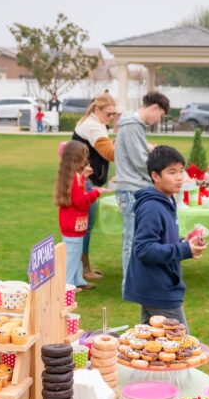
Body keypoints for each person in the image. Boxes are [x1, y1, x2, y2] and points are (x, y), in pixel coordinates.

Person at [123, 145, 206, 327]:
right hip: (158, 289)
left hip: (158, 284)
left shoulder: (167, 199)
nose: (179, 178)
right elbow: (144, 249)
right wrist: (184, 249)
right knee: (180, 346)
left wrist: (184, 243)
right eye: (171, 172)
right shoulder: (152, 207)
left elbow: (161, 239)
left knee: (151, 344)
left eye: (181, 171)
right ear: (155, 176)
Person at [114, 91, 169, 284]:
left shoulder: (132, 125)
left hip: (132, 188)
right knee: (132, 240)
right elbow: (140, 162)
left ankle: (137, 280)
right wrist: (160, 178)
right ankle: (129, 284)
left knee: (137, 238)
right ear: (154, 107)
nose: (157, 120)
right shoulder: (131, 126)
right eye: (160, 115)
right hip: (131, 189)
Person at [73, 93, 117, 281]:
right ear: (97, 109)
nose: (112, 118)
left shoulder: (96, 123)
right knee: (84, 227)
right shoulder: (92, 126)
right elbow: (108, 152)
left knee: (84, 227)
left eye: (114, 114)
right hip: (85, 182)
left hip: (85, 180)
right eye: (109, 114)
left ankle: (82, 267)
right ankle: (82, 269)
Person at [55, 141, 106, 292]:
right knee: (71, 256)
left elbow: (76, 195)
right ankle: (68, 285)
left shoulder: (72, 176)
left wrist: (83, 177)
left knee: (75, 254)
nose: (86, 159)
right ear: (78, 158)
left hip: (71, 223)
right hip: (73, 224)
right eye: (84, 156)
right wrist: (95, 193)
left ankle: (77, 280)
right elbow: (81, 202)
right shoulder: (75, 179)